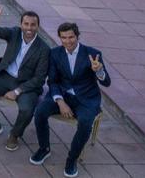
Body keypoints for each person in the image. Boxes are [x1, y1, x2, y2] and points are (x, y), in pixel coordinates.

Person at [30, 22, 111, 178]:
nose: (68, 41)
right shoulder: (55, 53)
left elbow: (107, 83)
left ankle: (71, 159)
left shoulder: (93, 53)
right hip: (63, 95)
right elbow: (52, 81)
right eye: (64, 38)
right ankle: (44, 148)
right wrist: (60, 102)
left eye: (71, 37)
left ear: (77, 36)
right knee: (40, 112)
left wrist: (99, 70)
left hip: (86, 99)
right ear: (60, 38)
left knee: (86, 123)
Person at [0, 7, 49, 151]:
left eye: (33, 25)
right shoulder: (14, 33)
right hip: (4, 76)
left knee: (27, 109)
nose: (29, 28)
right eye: (26, 24)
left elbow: (39, 79)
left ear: (38, 26)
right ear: (21, 25)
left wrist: (17, 91)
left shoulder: (44, 49)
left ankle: (15, 134)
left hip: (27, 85)